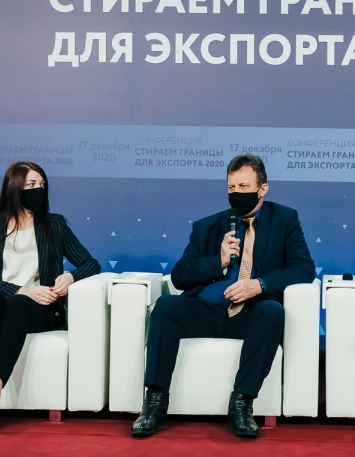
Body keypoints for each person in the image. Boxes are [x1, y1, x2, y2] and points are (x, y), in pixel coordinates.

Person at [132, 154, 314, 439]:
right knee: (166, 306)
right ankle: (154, 404)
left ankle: (241, 405)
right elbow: (180, 276)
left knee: (272, 312)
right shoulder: (207, 226)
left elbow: (303, 269)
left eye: (244, 187)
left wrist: (260, 285)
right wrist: (218, 261)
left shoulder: (284, 219)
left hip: (250, 313)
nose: (236, 193)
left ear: (262, 189)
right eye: (231, 187)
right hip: (205, 310)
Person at [0, 161, 100, 436]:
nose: (38, 189)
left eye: (42, 184)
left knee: (19, 304)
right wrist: (20, 289)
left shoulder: (54, 225)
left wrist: (69, 277)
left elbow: (91, 263)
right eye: (31, 184)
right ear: (14, 187)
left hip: (34, 308)